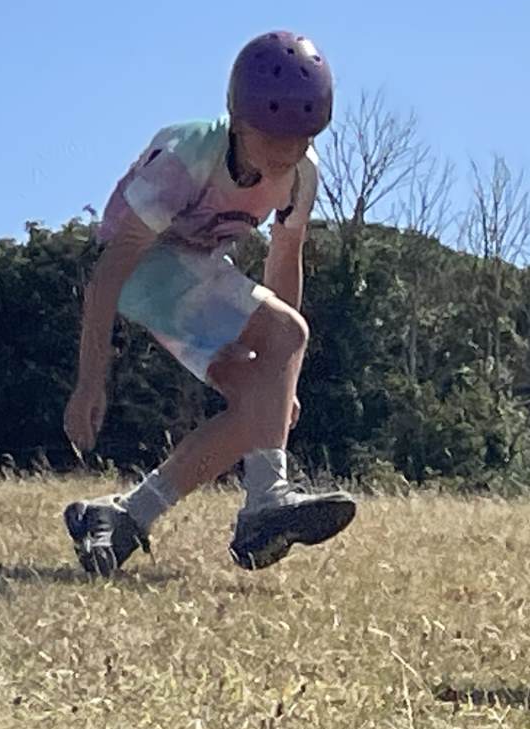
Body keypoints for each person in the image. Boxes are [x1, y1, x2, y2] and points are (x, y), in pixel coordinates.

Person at [62, 31, 356, 575]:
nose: (285, 155)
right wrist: (89, 381)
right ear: (238, 122)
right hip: (141, 268)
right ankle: (266, 502)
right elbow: (109, 272)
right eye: (272, 140)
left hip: (195, 269)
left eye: (300, 140)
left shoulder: (301, 174)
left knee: (258, 409)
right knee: (287, 338)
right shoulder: (189, 157)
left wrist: (280, 375)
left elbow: (284, 256)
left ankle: (123, 517)